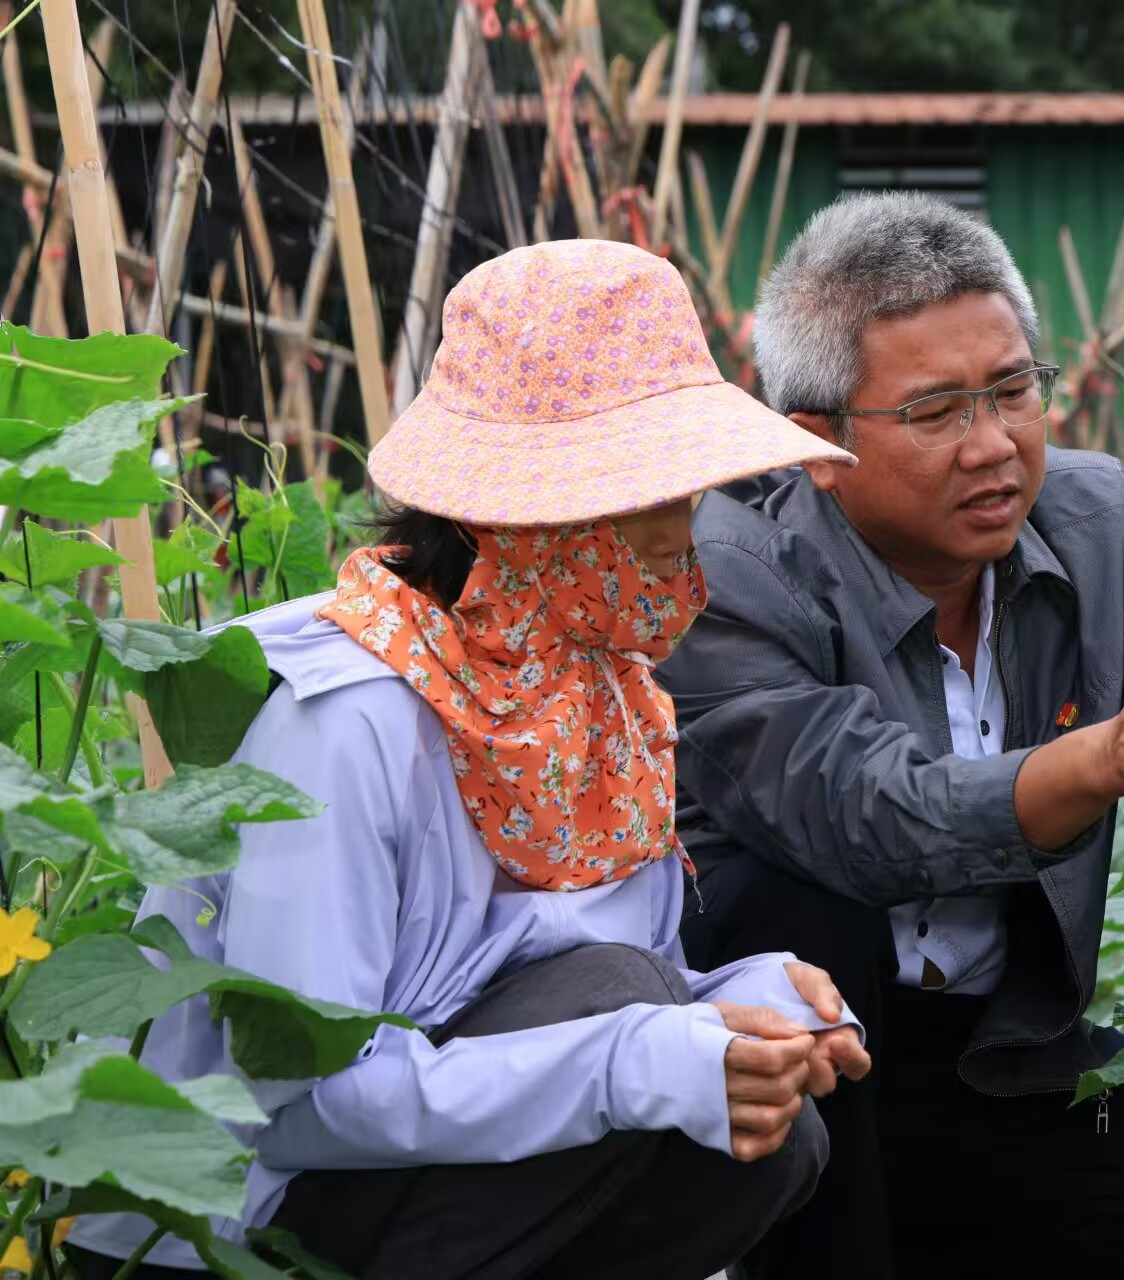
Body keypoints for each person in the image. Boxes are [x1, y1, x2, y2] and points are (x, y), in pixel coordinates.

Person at [64, 240, 870, 1280]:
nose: (688, 528)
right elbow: (303, 1099)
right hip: (226, 1220)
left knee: (763, 1133)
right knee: (633, 1014)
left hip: (416, 1192)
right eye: (652, 491)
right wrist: (642, 1054)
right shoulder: (349, 719)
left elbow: (537, 987)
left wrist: (738, 1003)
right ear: (538, 517)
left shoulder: (602, 695)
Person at [661, 192, 1124, 1279]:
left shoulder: (1092, 515)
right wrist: (1096, 758)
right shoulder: (725, 564)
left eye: (1014, 390)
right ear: (817, 442)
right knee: (800, 910)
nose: (994, 444)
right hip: (789, 1079)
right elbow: (863, 811)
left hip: (1003, 1057)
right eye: (937, 411)